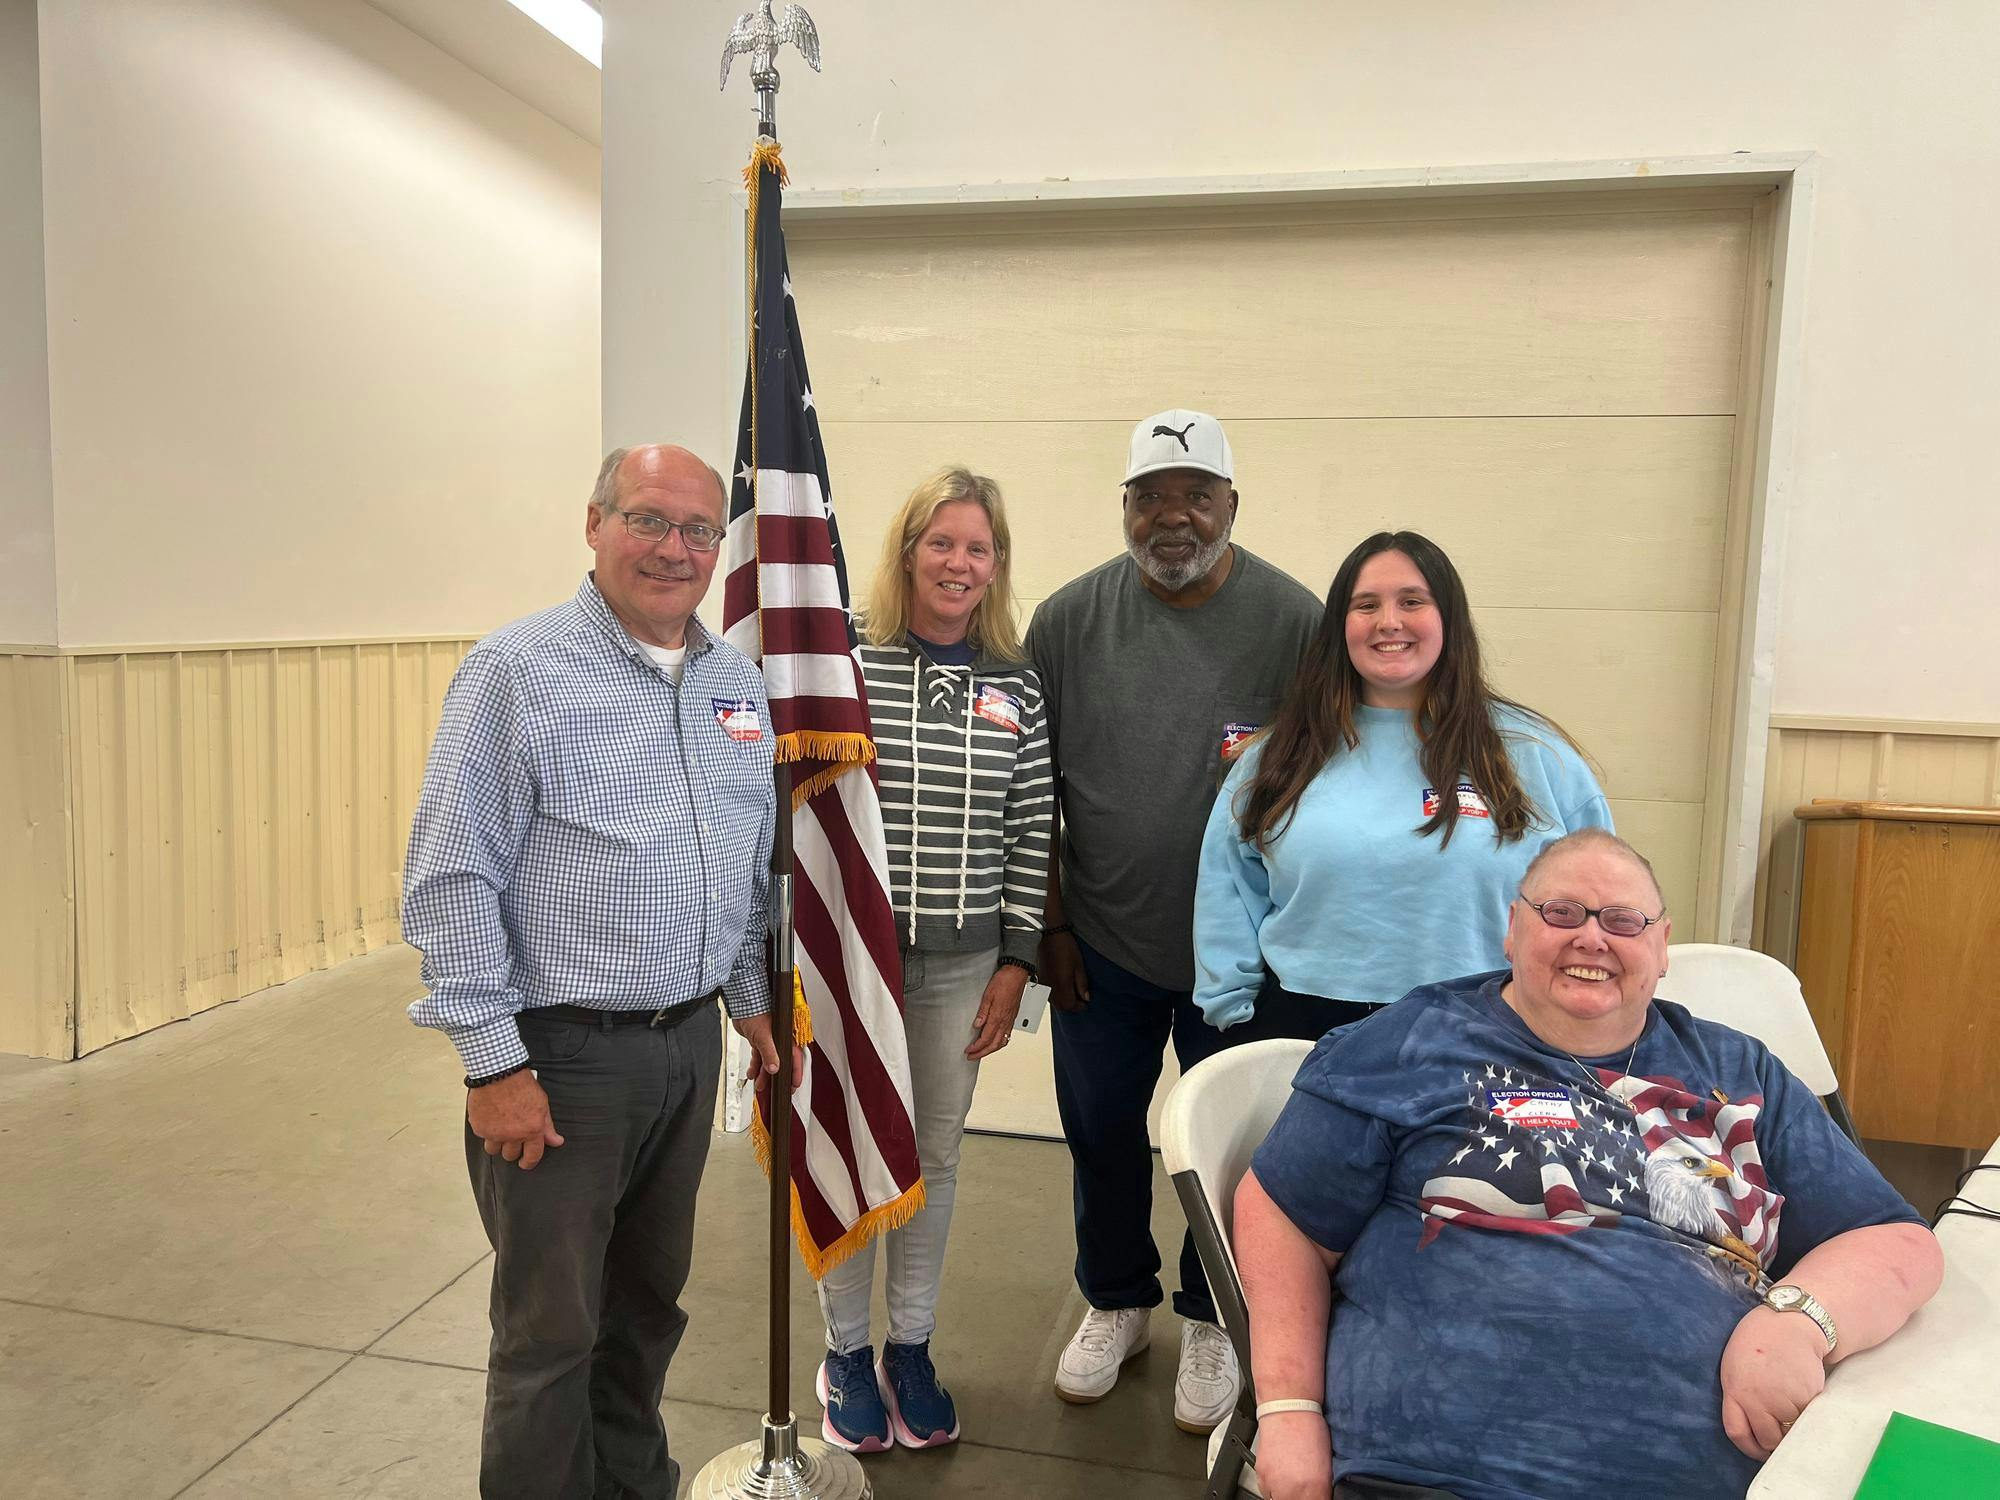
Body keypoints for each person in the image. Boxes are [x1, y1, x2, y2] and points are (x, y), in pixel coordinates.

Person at [1235, 829, 1944, 1500]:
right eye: (1562, 912)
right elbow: (1281, 1211)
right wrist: (1288, 1410)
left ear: (1662, 947)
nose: (1591, 937)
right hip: (1437, 1474)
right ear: (1512, 929)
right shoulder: (1409, 1043)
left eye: (1623, 920)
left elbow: (1895, 1240)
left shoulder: (1739, 1070)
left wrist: (1796, 1320)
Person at [403, 445, 798, 1500]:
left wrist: (753, 1008)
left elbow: (744, 863)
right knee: (548, 1336)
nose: (674, 550)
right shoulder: (515, 673)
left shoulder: (732, 683)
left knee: (643, 1314)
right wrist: (494, 1066)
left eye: (698, 531)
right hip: (560, 1061)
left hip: (683, 1053)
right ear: (593, 523)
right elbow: (448, 879)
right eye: (648, 520)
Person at [1026, 409, 1322, 1433]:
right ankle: (1115, 1301)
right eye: (1149, 497)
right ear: (1123, 509)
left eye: (1195, 494)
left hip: (1239, 954)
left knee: (1223, 1141)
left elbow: (1327, 781)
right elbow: (1035, 793)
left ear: (1230, 506)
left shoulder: (1294, 621)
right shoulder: (1067, 621)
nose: (1171, 516)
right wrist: (1051, 929)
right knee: (1100, 1133)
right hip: (1099, 946)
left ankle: (1207, 1312)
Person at [812, 466, 1054, 1453]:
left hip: (964, 967)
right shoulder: (846, 668)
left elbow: (1032, 828)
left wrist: (1016, 962)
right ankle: (843, 1354)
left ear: (995, 568)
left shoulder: (1016, 685)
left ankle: (908, 1346)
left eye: (977, 548)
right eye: (941, 542)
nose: (958, 563)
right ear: (907, 551)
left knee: (934, 1158)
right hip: (852, 966)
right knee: (846, 1145)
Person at [1194, 530, 1612, 1040]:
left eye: (1411, 601)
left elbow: (1600, 895)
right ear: (1339, 627)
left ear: (1448, 619)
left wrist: (1582, 1010)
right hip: (1302, 1027)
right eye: (1365, 604)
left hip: (1485, 1023)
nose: (1388, 621)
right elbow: (1228, 884)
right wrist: (1231, 1006)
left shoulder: (1534, 755)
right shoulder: (1279, 753)